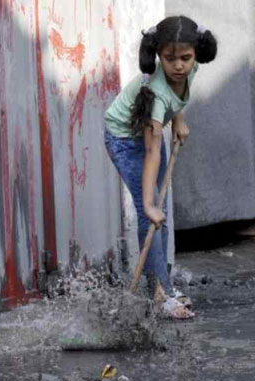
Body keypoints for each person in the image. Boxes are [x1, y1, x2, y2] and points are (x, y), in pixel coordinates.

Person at [104, 16, 217, 319]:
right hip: (125, 139)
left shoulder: (189, 71)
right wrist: (146, 203)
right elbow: (151, 150)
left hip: (150, 133)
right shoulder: (154, 94)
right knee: (151, 215)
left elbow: (177, 98)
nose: (179, 65)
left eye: (185, 58)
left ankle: (162, 287)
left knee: (161, 214)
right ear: (158, 56)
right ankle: (159, 296)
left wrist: (178, 119)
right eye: (169, 59)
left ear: (195, 54)